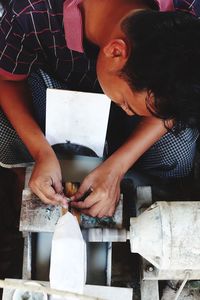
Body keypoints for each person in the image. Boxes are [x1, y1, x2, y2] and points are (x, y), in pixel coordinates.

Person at [0, 0, 200, 217]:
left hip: (123, 90)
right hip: (58, 86)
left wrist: (117, 167)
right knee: (5, 125)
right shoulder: (30, 12)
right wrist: (40, 152)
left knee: (178, 147)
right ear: (116, 52)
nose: (128, 111)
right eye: (126, 103)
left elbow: (174, 105)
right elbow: (8, 80)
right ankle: (25, 175)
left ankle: (155, 200)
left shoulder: (185, 12)